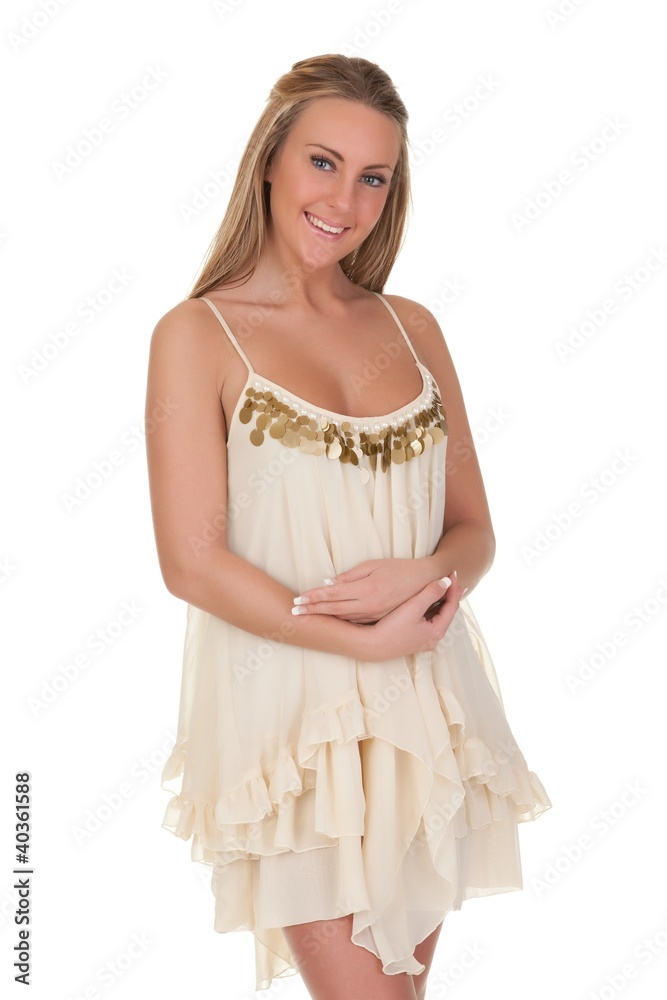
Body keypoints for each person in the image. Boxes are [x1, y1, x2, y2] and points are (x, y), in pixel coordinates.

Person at [145, 53, 552, 1000]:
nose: (344, 200)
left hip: (423, 712)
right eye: (323, 163)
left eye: (374, 177)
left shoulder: (411, 327)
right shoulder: (198, 334)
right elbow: (192, 562)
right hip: (295, 727)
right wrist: (355, 641)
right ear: (269, 161)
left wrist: (424, 576)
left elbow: (473, 530)